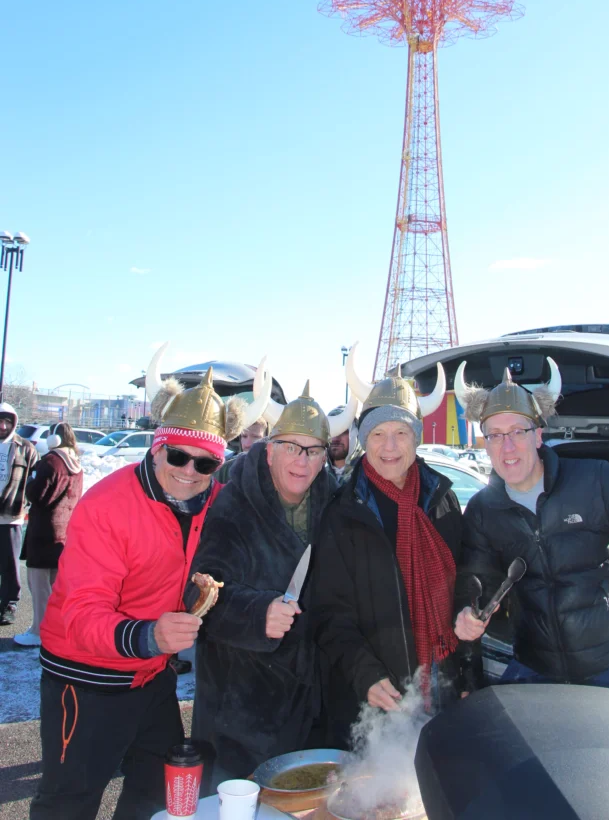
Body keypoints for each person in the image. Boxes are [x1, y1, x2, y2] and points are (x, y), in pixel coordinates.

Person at [30, 344, 271, 820]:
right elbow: (80, 613)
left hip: (152, 677)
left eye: (205, 464)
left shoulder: (215, 500)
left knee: (158, 797)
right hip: (87, 680)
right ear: (158, 447)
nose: (189, 472)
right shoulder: (108, 505)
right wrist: (148, 635)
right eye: (178, 456)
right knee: (69, 803)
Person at [453, 360, 609, 715]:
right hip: (538, 668)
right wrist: (468, 609)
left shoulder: (596, 481)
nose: (507, 447)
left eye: (518, 431)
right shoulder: (484, 509)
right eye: (495, 435)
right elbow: (476, 578)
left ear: (539, 434)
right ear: (486, 443)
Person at [187, 380, 357, 779]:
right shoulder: (232, 503)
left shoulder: (335, 504)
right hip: (241, 707)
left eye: (313, 450)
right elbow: (199, 592)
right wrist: (256, 614)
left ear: (324, 457)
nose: (302, 460)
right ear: (269, 451)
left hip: (314, 702)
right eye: (291, 448)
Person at [313, 352, 468, 747]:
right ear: (364, 440)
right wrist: (363, 672)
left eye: (401, 433)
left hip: (442, 684)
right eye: (378, 434)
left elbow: (464, 586)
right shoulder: (344, 513)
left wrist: (469, 674)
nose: (389, 447)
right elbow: (330, 614)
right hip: (374, 699)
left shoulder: (440, 499)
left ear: (416, 438)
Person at [14, 422, 84, 648]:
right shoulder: (76, 464)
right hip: (63, 533)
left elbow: (36, 494)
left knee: (39, 586)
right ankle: (55, 629)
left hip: (43, 531)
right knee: (56, 587)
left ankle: (39, 631)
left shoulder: (51, 462)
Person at [0, 402, 39, 626]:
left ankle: (9, 604)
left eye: (7, 421)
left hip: (11, 515)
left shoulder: (25, 448)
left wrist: (27, 504)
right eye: (0, 421)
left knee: (10, 564)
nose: (3, 426)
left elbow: (34, 481)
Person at [327, 405, 361, 483]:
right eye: (332, 432)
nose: (335, 438)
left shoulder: (368, 476)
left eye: (343, 432)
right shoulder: (315, 477)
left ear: (355, 434)